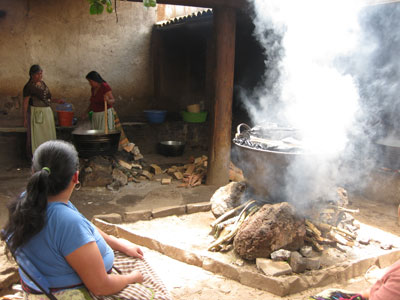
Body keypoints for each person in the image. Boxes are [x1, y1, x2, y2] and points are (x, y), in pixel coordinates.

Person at [1, 140, 171, 300]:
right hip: (69, 292)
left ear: (34, 173)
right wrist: (132, 278)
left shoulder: (30, 200)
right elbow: (101, 286)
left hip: (49, 279)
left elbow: (85, 227)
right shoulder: (66, 222)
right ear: (76, 177)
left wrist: (117, 243)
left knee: (133, 257)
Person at [23, 65, 64, 157]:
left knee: (48, 133)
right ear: (32, 74)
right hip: (37, 113)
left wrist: (56, 100)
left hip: (47, 113)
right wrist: (25, 118)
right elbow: (25, 102)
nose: (40, 76)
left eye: (41, 74)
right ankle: (39, 155)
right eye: (38, 74)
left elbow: (48, 98)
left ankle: (49, 154)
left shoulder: (43, 84)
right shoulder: (29, 87)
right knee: (38, 135)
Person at [84, 71, 131, 148]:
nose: (90, 83)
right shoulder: (93, 89)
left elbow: (113, 100)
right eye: (89, 81)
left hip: (105, 114)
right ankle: (100, 150)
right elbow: (92, 103)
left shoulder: (105, 87)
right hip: (96, 115)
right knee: (98, 135)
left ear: (95, 80)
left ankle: (107, 150)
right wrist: (86, 112)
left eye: (90, 81)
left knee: (105, 134)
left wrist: (108, 100)